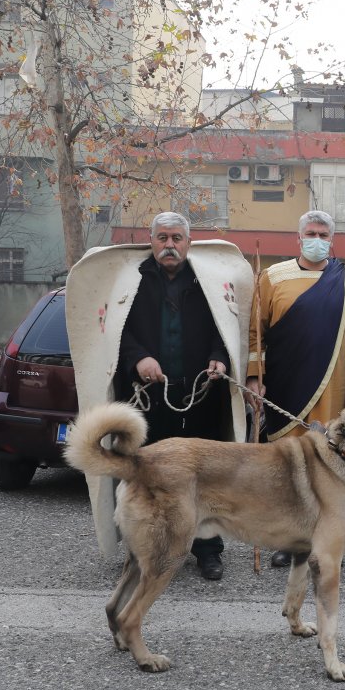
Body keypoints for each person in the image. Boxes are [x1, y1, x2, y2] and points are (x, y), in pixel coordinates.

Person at [113, 211, 242, 580]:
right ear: (151, 240)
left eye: (177, 238)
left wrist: (219, 358)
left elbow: (226, 324)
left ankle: (207, 550)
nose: (170, 245)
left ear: (188, 242)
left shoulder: (209, 281)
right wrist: (139, 358)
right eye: (163, 238)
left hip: (199, 395)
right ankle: (146, 550)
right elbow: (115, 332)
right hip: (147, 398)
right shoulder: (129, 280)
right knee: (147, 474)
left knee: (204, 477)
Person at [246, 210, 345, 568]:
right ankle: (287, 539)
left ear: (333, 240)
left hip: (333, 386)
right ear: (298, 238)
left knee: (328, 469)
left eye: (324, 234)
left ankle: (325, 540)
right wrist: (253, 376)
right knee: (286, 468)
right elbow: (255, 332)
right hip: (284, 386)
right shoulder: (272, 276)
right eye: (311, 232)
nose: (317, 239)